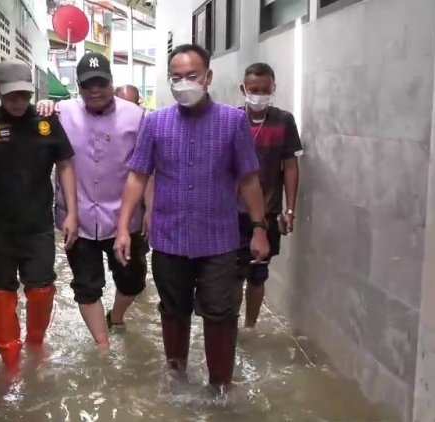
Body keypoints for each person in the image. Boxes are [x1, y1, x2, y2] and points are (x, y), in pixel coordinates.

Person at [113, 44, 269, 393]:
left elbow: (248, 178)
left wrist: (259, 228)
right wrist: (123, 227)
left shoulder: (233, 121)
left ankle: (220, 388)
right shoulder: (154, 123)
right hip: (169, 239)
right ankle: (176, 377)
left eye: (192, 76)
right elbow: (138, 176)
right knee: (173, 309)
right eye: (176, 77)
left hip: (219, 241)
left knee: (220, 313)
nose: (184, 83)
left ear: (208, 77)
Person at [0, 59, 78, 372]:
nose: (18, 102)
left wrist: (72, 214)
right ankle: (9, 362)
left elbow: (65, 165)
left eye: (24, 95)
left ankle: (36, 346)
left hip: (38, 227)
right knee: (1, 292)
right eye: (11, 95)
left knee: (41, 290)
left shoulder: (47, 122)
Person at [37, 52, 150, 351]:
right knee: (86, 287)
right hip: (78, 219)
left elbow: (145, 169)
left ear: (112, 82)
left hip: (124, 220)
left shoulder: (136, 117)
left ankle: (118, 316)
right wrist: (42, 106)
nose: (95, 90)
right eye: (88, 85)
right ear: (79, 86)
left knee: (133, 281)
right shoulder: (60, 112)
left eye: (101, 83)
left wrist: (150, 210)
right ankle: (103, 349)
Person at [235, 63, 303, 329]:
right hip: (233, 213)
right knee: (231, 275)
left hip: (268, 213)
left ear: (274, 88)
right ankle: (228, 328)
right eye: (254, 90)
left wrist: (290, 209)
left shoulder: (283, 121)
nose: (259, 95)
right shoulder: (232, 119)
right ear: (244, 89)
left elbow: (291, 166)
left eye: (265, 90)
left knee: (257, 276)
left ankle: (249, 327)